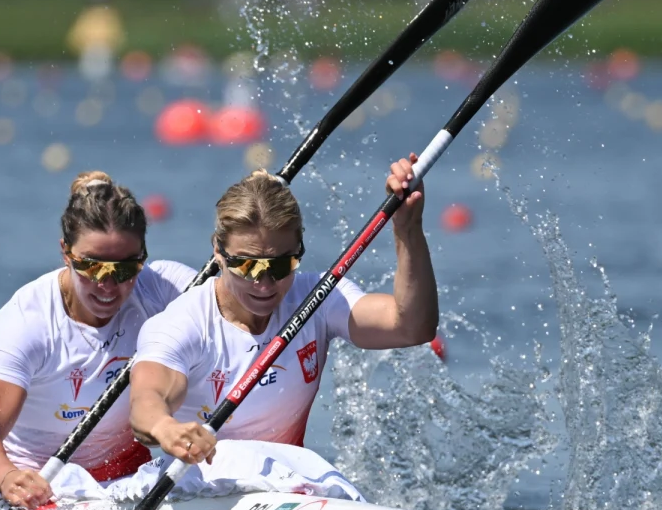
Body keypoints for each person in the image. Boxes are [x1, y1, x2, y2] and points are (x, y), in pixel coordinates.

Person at [129, 156, 437, 464]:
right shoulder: (186, 322)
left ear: (299, 251)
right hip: (198, 484)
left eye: (281, 265)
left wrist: (408, 229)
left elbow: (411, 326)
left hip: (286, 487)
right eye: (247, 265)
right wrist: (164, 427)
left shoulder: (318, 298)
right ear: (218, 253)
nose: (264, 283)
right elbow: (147, 400)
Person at [0, 171, 198, 510]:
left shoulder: (163, 289)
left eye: (125, 269)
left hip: (131, 479)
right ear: (66, 253)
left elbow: (236, 304)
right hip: (41, 489)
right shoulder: (27, 321)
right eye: (92, 267)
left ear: (142, 257)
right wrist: (7, 478)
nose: (108, 285)